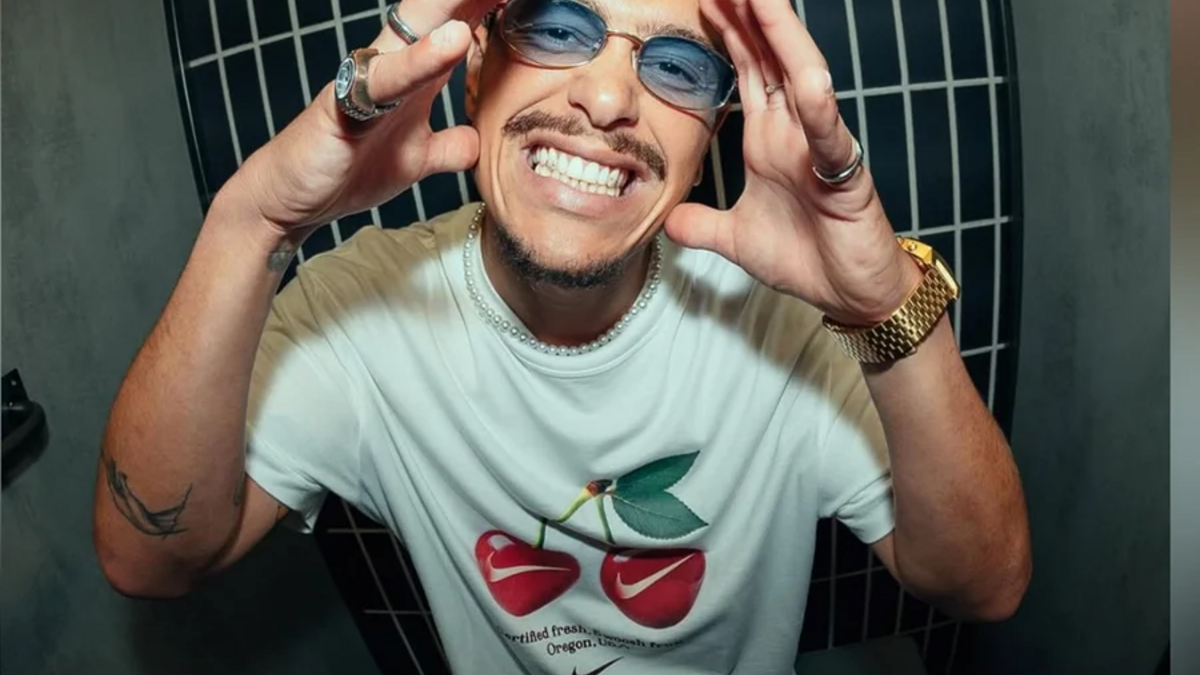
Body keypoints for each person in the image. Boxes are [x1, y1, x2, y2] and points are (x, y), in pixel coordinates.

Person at [93, 0, 1031, 671]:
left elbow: (983, 586)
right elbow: (149, 557)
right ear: (474, 69)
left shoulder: (780, 317)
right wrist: (253, 221)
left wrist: (879, 303)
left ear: (711, 134)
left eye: (677, 66)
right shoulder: (359, 309)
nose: (608, 96)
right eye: (555, 25)